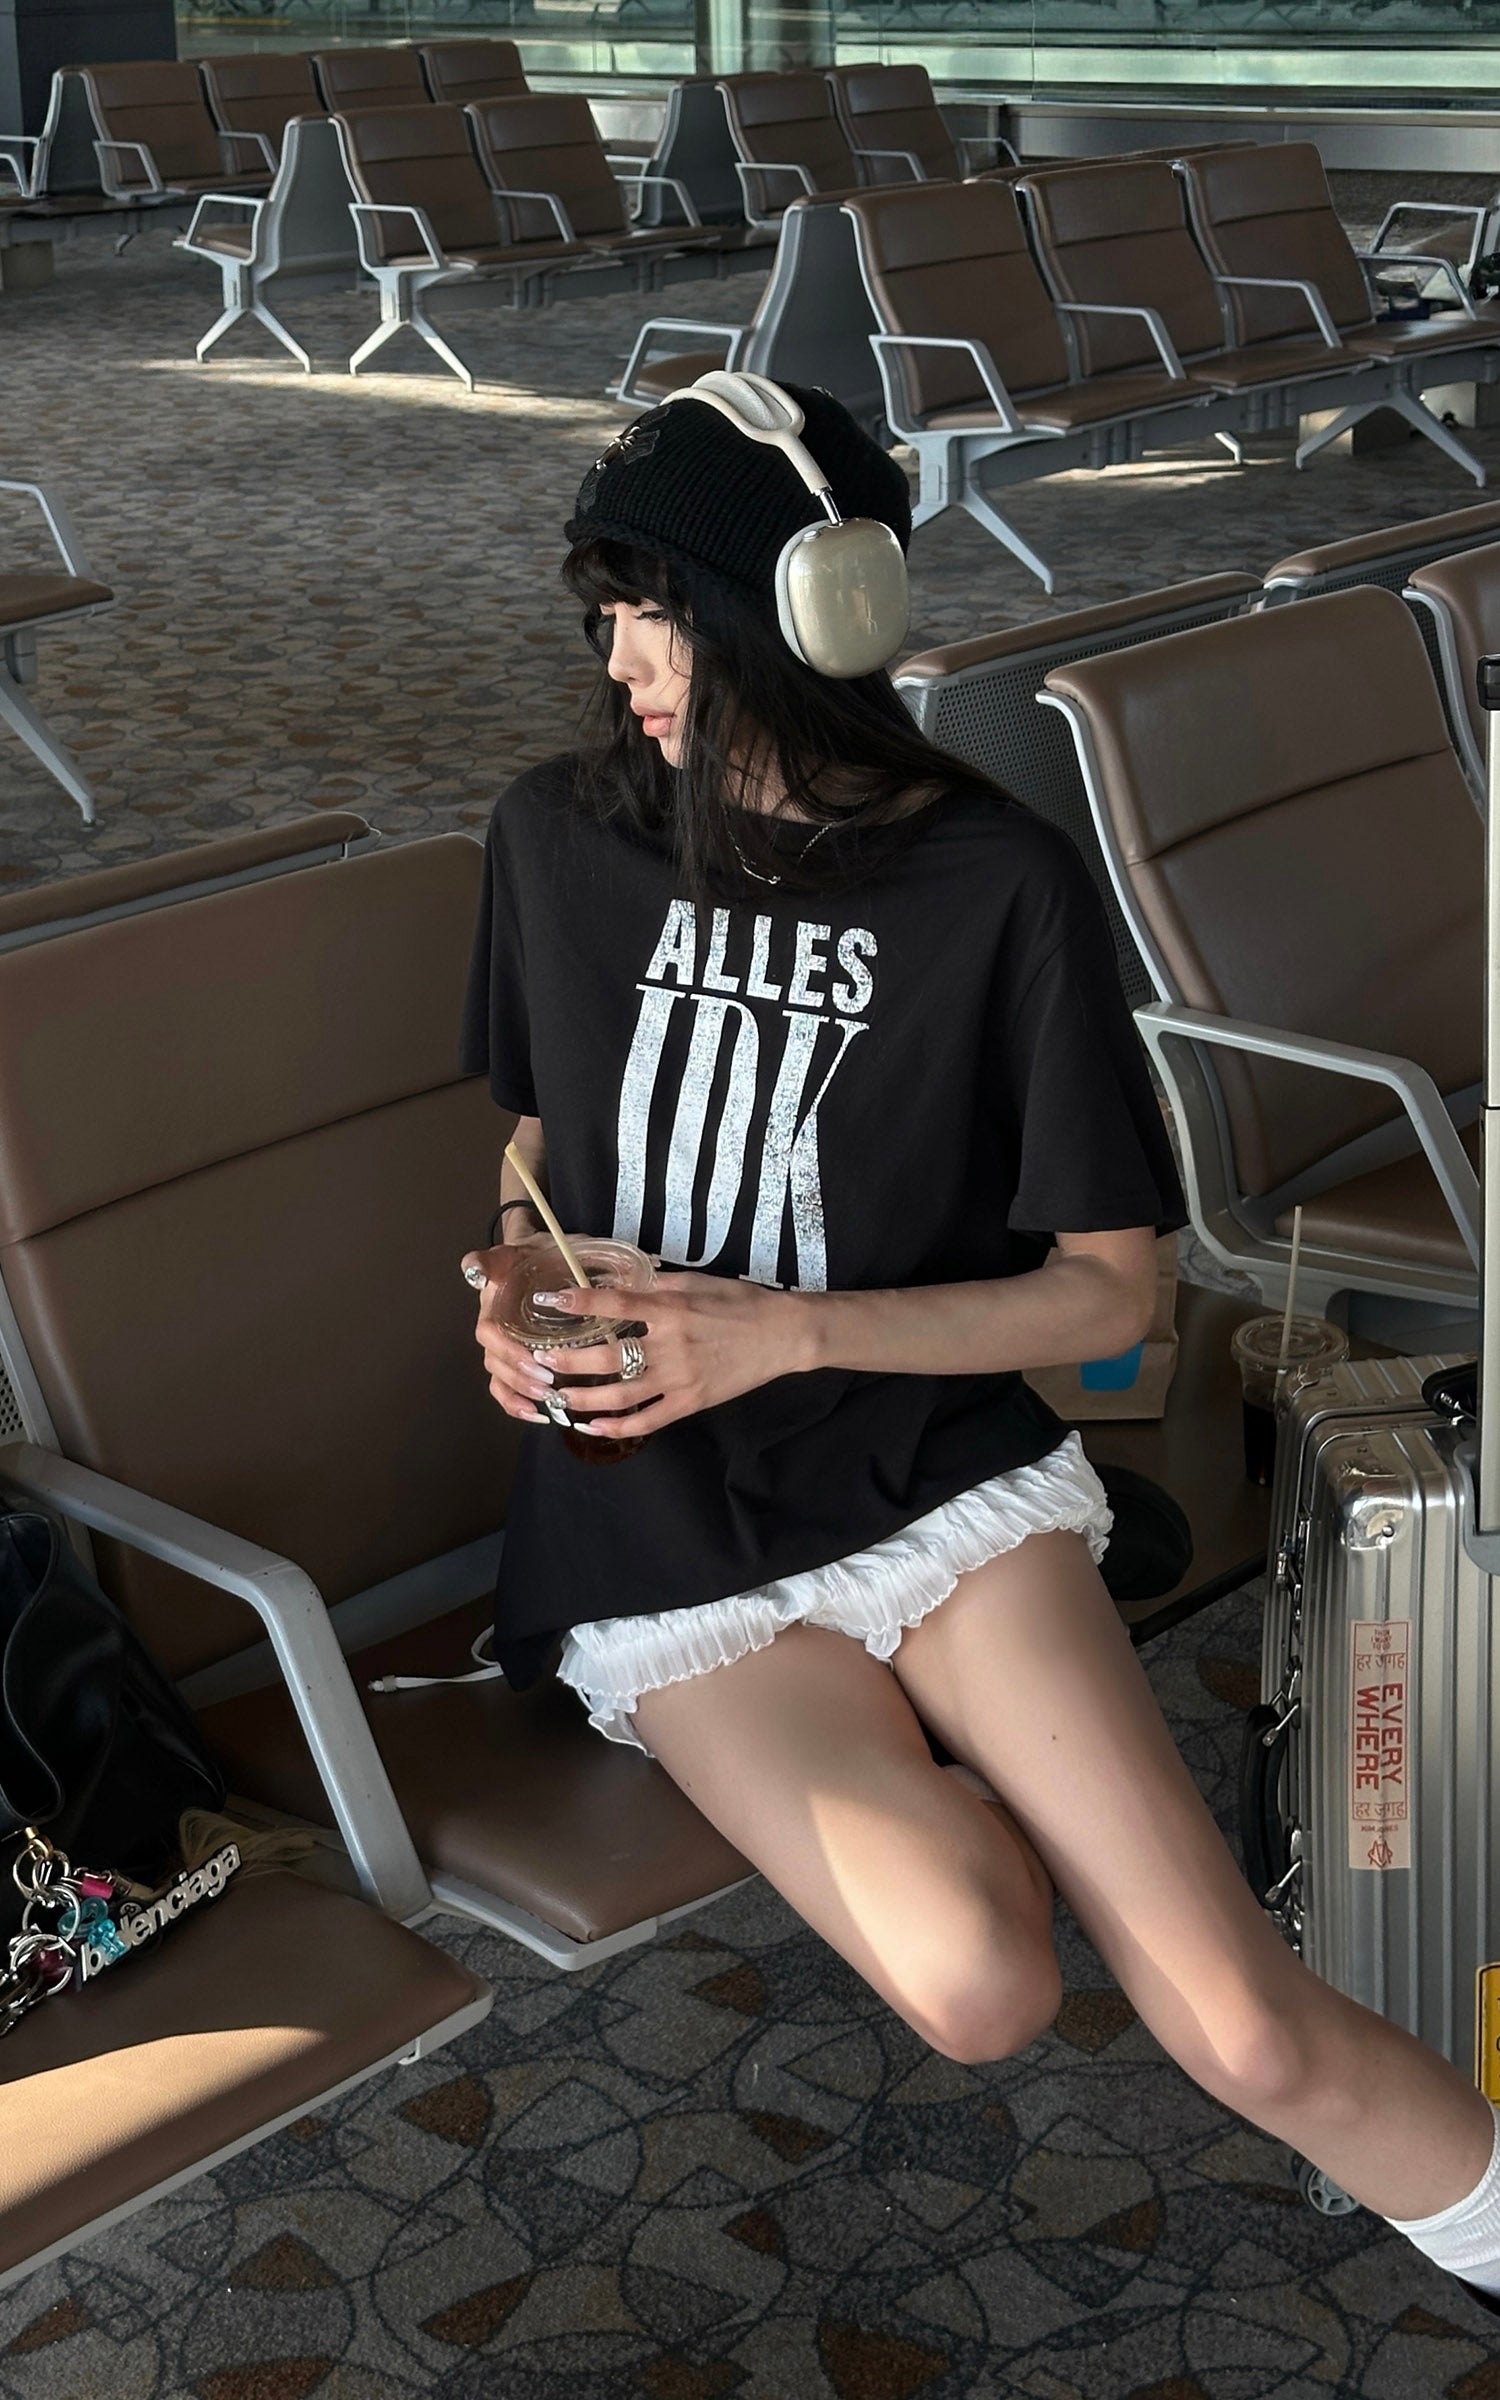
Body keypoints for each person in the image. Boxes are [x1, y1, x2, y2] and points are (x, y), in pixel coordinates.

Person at [459, 375, 1500, 2313]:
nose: (620, 668)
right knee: (981, 1986)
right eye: (602, 619)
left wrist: (788, 1334)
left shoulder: (992, 879)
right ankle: (970, 1763)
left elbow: (1112, 1296)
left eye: (654, 616)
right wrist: (515, 1304)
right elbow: (534, 1157)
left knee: (1247, 2027)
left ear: (806, 611)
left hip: (930, 1470)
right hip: (663, 1530)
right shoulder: (551, 837)